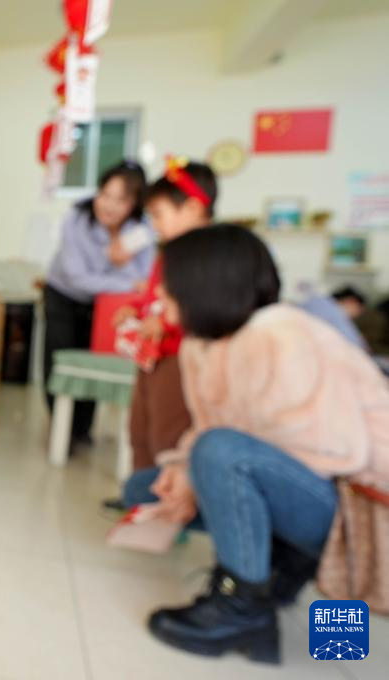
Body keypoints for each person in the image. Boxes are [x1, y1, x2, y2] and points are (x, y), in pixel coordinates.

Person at [124, 225, 389, 664]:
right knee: (144, 488)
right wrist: (182, 471)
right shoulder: (202, 344)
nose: (161, 296)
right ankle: (276, 575)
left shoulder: (280, 335)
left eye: (169, 285)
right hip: (309, 493)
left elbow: (334, 455)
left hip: (363, 508)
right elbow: (212, 429)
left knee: (221, 454)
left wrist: (201, 470)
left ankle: (243, 608)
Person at [116, 159, 216, 473]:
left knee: (167, 435)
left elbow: (204, 304)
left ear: (193, 209)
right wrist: (135, 308)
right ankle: (140, 490)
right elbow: (154, 294)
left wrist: (165, 322)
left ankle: (164, 491)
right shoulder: (168, 251)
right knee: (139, 430)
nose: (154, 224)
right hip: (150, 355)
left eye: (159, 215)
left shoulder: (208, 253)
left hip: (178, 357)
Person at [43, 160, 153, 443]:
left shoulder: (141, 229)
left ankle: (82, 429)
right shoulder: (76, 218)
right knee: (59, 359)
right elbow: (77, 277)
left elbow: (143, 282)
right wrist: (123, 276)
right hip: (64, 295)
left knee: (94, 362)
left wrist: (122, 262)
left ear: (135, 203)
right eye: (105, 195)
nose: (110, 206)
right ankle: (61, 429)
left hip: (105, 305)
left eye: (121, 200)